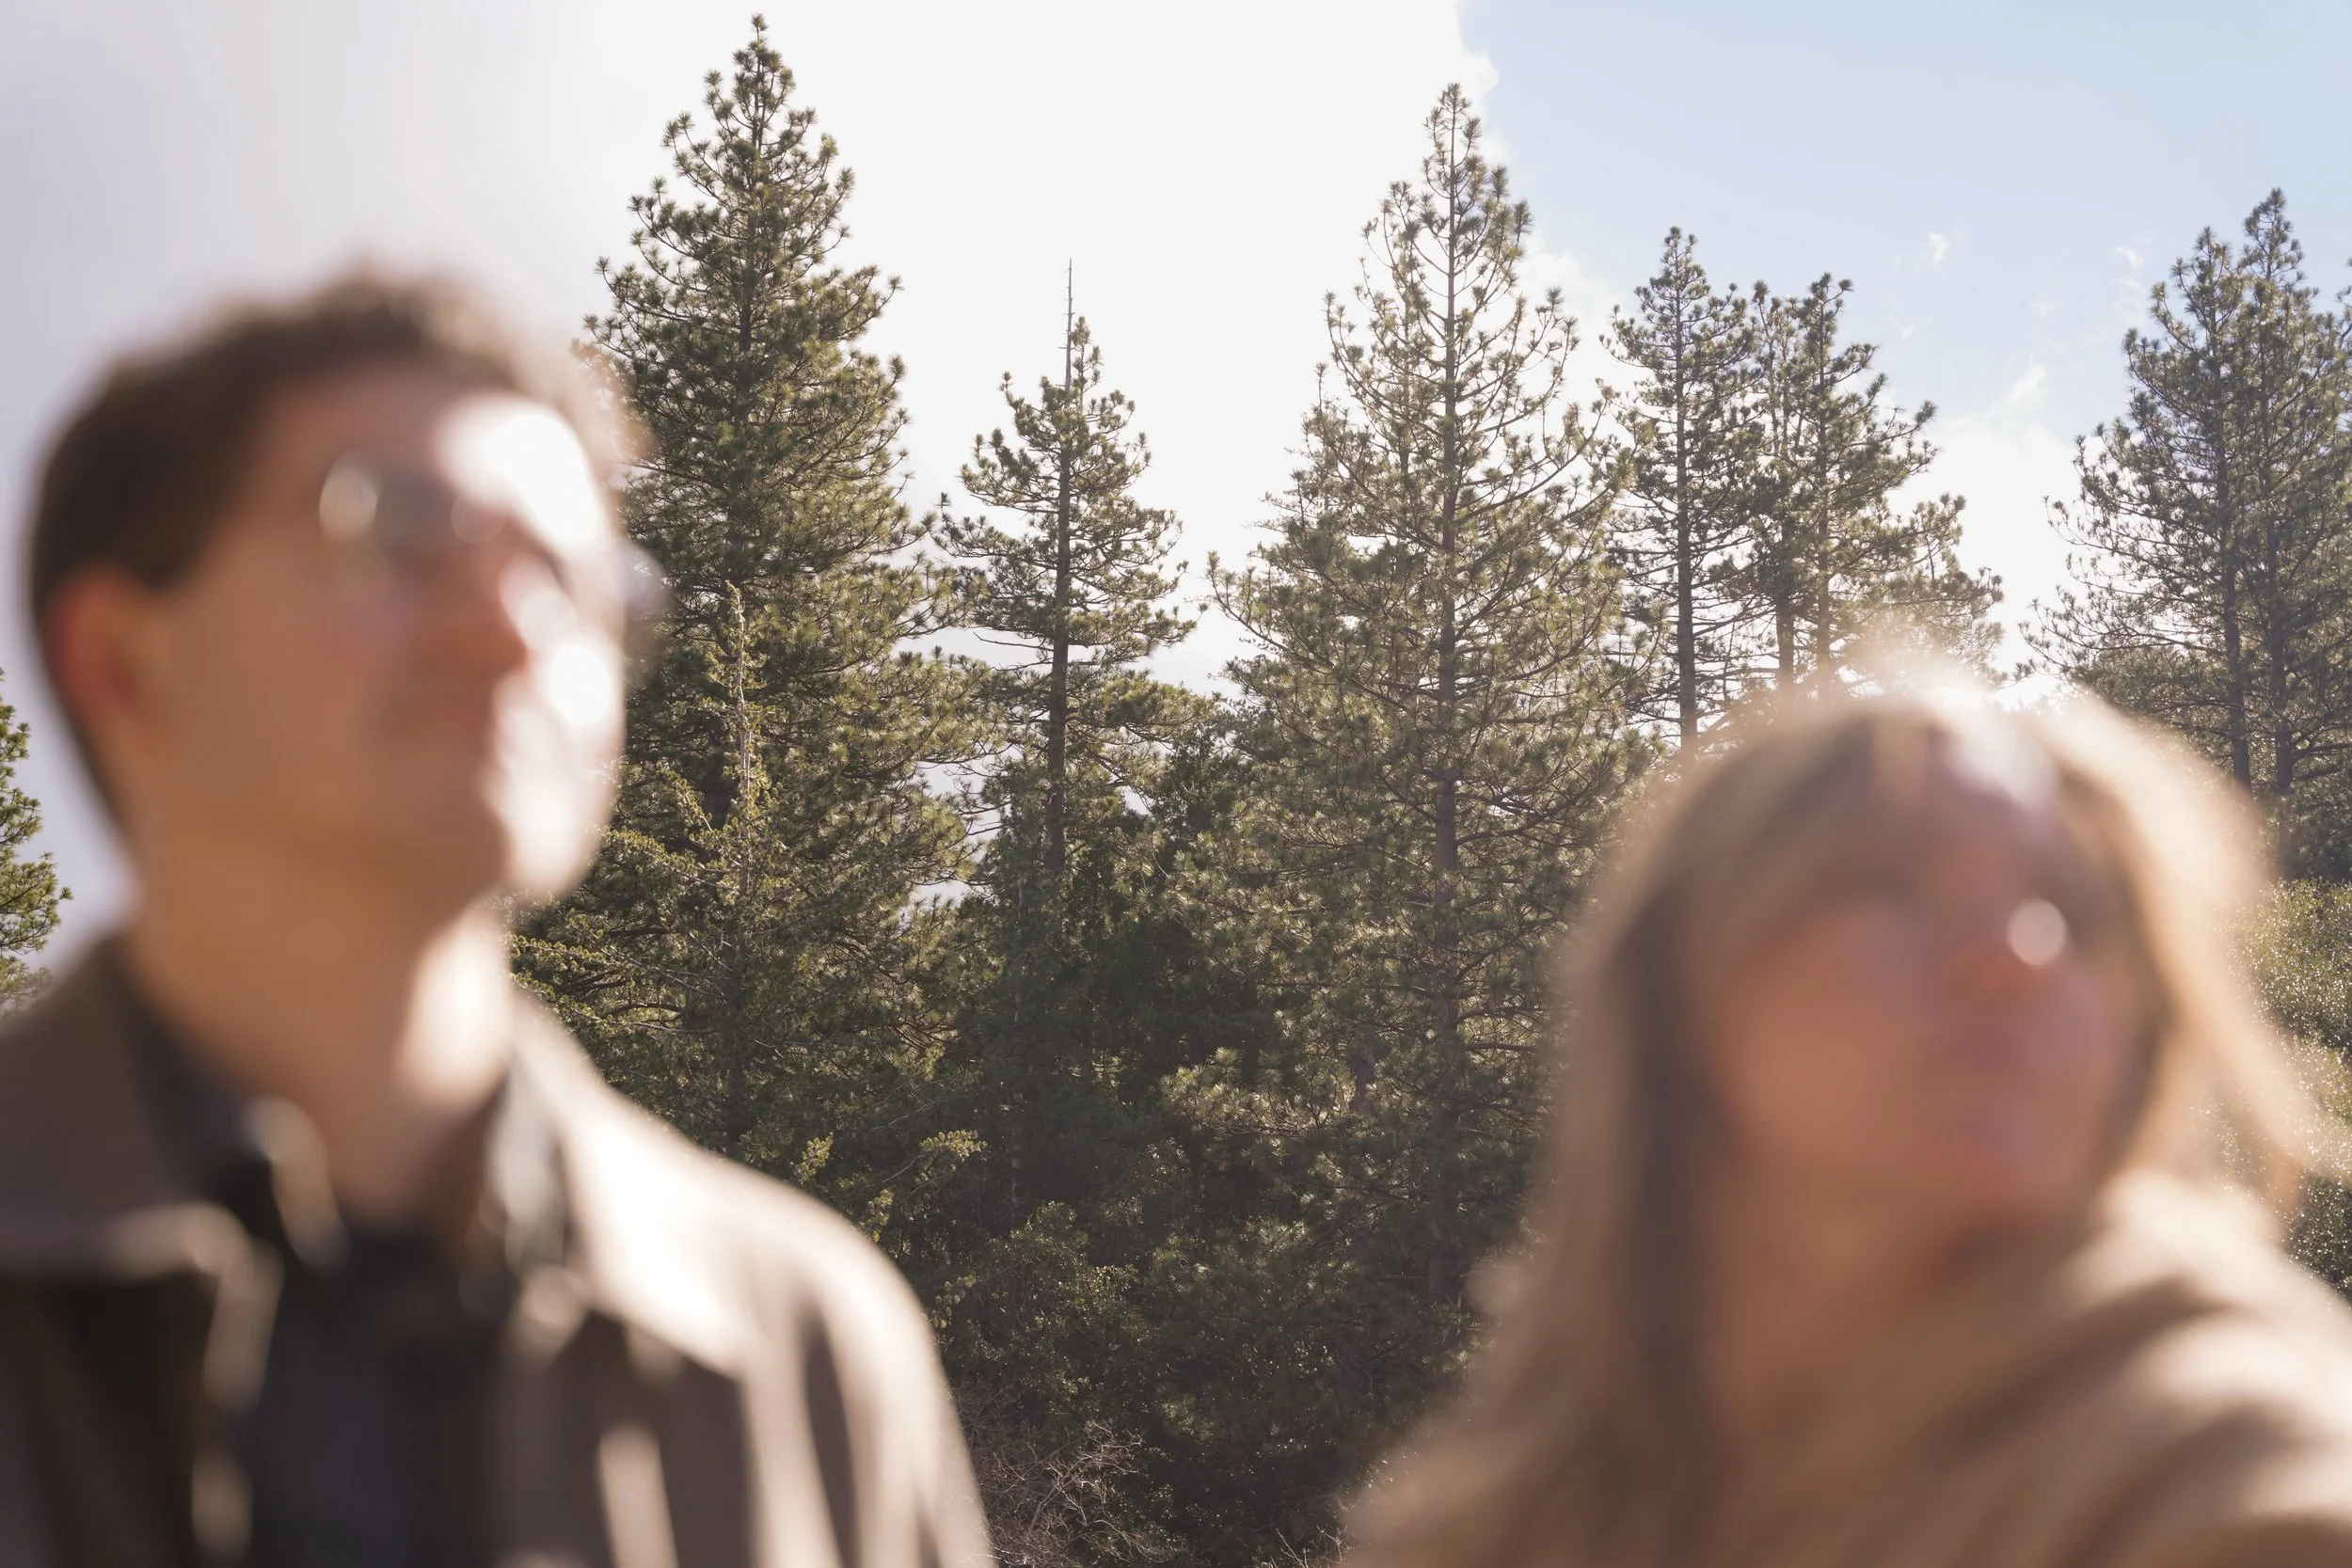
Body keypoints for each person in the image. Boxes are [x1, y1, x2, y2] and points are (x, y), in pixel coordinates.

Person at [0, 277, 992, 1568]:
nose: (511, 628)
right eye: (399, 532)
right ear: (125, 662)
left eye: (576, 580)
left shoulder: (804, 1354)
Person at [1348, 681, 2352, 1568]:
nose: (2021, 953)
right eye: (1893, 883)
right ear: (1681, 990)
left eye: (2071, 910)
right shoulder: (1528, 1503)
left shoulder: (2227, 1464)